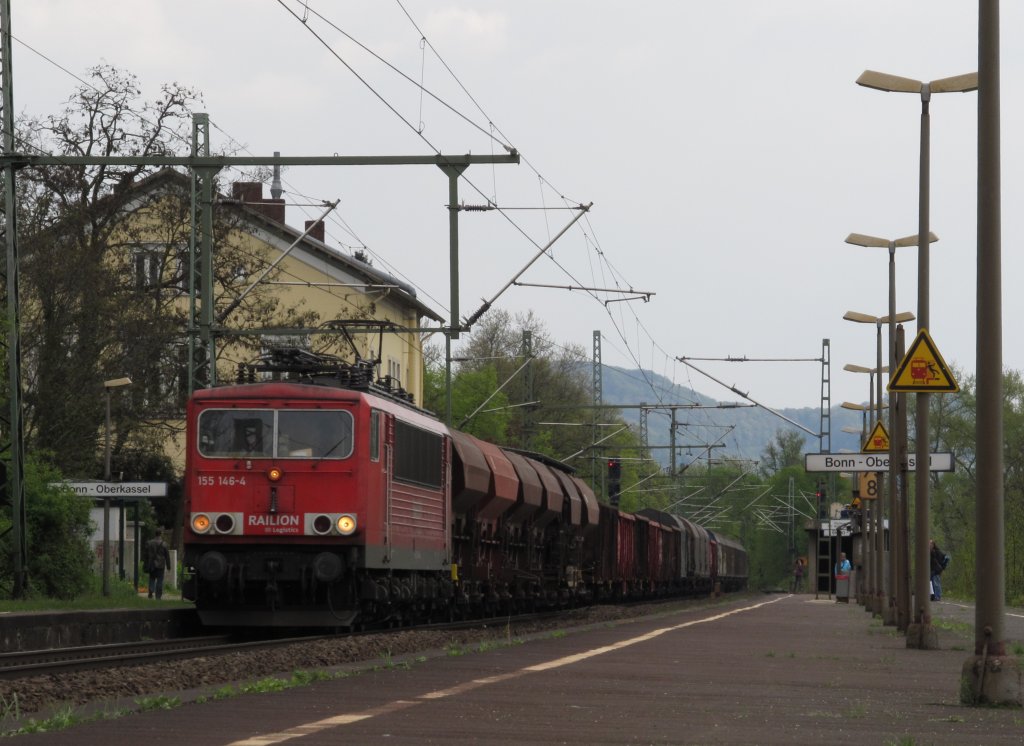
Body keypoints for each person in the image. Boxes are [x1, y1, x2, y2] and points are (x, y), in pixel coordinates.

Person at [146, 530, 172, 600]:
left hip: (152, 564)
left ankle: (151, 590)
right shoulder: (164, 544)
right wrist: (168, 566)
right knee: (160, 580)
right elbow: (167, 556)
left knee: (152, 578)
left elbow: (146, 554)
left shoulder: (150, 543)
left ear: (155, 534)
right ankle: (158, 596)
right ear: (160, 534)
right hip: (161, 565)